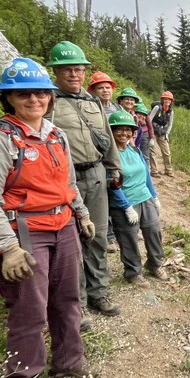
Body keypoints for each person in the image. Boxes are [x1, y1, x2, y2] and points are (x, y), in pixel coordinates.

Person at [0, 58, 97, 378]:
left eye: (41, 92)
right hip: (25, 233)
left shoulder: (56, 136)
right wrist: (7, 247)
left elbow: (68, 183)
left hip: (63, 225)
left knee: (67, 299)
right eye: (24, 93)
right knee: (30, 310)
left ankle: (68, 361)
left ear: (50, 96)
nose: (34, 99)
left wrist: (82, 213)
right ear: (8, 98)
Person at [46, 41, 122, 317]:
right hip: (65, 180)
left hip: (97, 174)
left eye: (78, 70)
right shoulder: (48, 102)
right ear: (56, 71)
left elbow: (108, 136)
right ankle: (75, 304)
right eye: (68, 70)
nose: (74, 75)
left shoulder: (92, 102)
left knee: (98, 236)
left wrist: (114, 169)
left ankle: (98, 293)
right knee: (71, 243)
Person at [107, 110, 170, 285]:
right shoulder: (109, 155)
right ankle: (133, 272)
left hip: (145, 197)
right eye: (119, 129)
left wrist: (154, 196)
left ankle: (155, 263)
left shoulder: (134, 149)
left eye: (128, 129)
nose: (124, 133)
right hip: (124, 203)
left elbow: (146, 174)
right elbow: (112, 183)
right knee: (129, 239)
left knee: (153, 232)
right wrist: (126, 206)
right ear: (111, 131)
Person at [88, 71, 120, 252]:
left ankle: (116, 231)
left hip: (116, 156)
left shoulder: (116, 109)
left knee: (117, 192)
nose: (105, 90)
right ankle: (107, 236)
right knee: (103, 196)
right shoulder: (91, 107)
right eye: (100, 87)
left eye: (108, 87)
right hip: (100, 159)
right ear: (93, 90)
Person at [149, 90, 174, 177]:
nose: (167, 101)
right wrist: (151, 135)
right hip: (153, 131)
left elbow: (170, 124)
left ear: (171, 101)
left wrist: (167, 133)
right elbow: (149, 119)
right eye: (165, 99)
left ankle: (168, 171)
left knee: (167, 152)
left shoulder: (171, 112)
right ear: (162, 100)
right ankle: (154, 171)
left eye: (169, 100)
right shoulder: (157, 108)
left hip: (162, 132)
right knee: (153, 151)